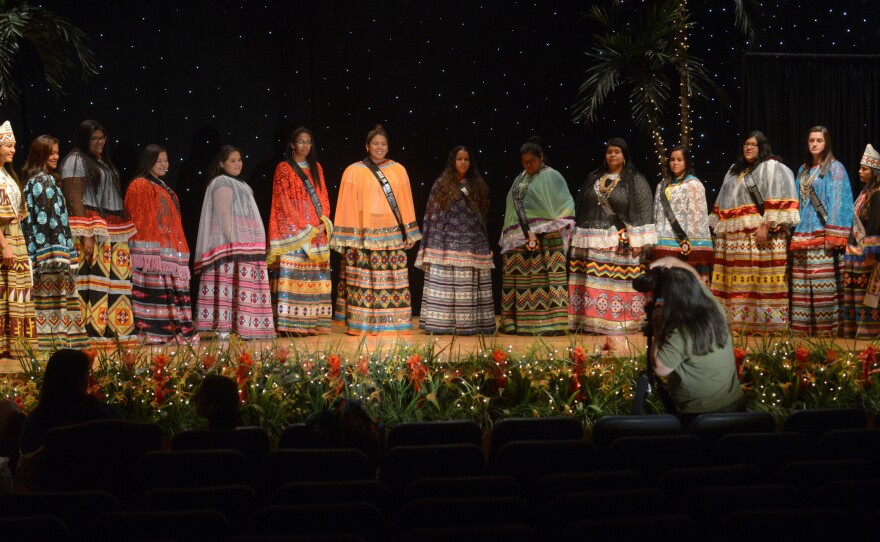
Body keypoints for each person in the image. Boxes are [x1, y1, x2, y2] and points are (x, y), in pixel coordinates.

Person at [330, 125, 421, 335]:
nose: (379, 147)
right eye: (375, 144)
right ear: (367, 146)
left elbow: (406, 201)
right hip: (362, 235)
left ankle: (393, 322)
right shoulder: (353, 170)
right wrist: (347, 238)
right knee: (363, 279)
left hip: (391, 234)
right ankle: (361, 323)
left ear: (388, 146)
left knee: (391, 279)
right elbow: (346, 204)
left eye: (383, 144)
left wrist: (410, 231)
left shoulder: (399, 170)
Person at [709, 131, 799, 334]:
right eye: (746, 144)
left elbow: (779, 196)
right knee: (736, 279)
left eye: (753, 145)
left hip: (759, 235)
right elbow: (725, 200)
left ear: (762, 148)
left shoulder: (772, 167)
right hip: (735, 238)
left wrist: (766, 225)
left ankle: (765, 323)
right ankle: (735, 322)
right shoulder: (734, 170)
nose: (748, 148)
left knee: (758, 279)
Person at [59, 120, 137, 345]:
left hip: (110, 227)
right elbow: (74, 198)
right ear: (84, 139)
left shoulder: (101, 162)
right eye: (95, 138)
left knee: (115, 280)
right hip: (91, 227)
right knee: (91, 279)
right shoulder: (76, 160)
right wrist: (86, 233)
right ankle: (90, 329)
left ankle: (113, 327)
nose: (100, 142)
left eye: (102, 138)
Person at [568, 137, 654, 334]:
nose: (612, 155)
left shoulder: (635, 179)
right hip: (591, 239)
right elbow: (583, 205)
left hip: (619, 240)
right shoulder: (594, 178)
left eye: (617, 151)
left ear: (625, 156)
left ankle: (619, 322)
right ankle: (590, 321)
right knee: (591, 281)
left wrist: (638, 240)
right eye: (609, 152)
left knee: (617, 283)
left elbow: (643, 209)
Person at [649, 257, 744, 422]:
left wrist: (657, 331)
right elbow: (698, 279)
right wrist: (673, 261)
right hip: (735, 404)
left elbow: (660, 368)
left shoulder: (682, 332)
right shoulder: (713, 307)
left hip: (701, 414)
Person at [194, 145, 274, 339]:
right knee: (230, 284)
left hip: (243, 243)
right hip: (232, 246)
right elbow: (223, 217)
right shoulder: (223, 183)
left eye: (240, 159)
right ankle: (224, 328)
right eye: (232, 160)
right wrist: (234, 244)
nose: (238, 164)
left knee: (243, 285)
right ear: (222, 163)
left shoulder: (239, 183)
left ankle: (246, 327)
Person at [415, 145, 495, 335]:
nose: (463, 162)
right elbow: (432, 215)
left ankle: (468, 325)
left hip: (471, 245)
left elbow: (481, 217)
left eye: (466, 159)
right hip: (444, 245)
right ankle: (442, 325)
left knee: (465, 285)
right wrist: (433, 243)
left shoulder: (478, 185)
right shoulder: (441, 184)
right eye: (459, 159)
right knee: (447, 286)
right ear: (453, 161)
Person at [499, 136, 575, 335]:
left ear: (541, 157)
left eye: (531, 161)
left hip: (546, 238)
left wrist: (544, 227)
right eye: (524, 162)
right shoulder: (519, 178)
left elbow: (564, 204)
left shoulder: (552, 176)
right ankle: (517, 323)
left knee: (543, 280)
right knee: (522, 279)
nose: (528, 165)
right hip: (521, 238)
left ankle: (548, 323)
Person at [124, 145, 195, 344]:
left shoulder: (164, 187)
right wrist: (150, 253)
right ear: (149, 162)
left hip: (169, 250)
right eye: (159, 160)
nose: (164, 164)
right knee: (152, 293)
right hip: (153, 253)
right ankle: (153, 332)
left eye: (166, 160)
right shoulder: (140, 184)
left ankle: (171, 330)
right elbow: (140, 218)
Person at [22, 134, 87, 349]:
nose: (56, 157)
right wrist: (56, 254)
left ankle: (56, 342)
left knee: (55, 299)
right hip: (50, 255)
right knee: (53, 299)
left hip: (51, 253)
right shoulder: (41, 181)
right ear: (41, 154)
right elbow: (44, 221)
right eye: (52, 153)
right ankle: (54, 343)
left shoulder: (42, 180)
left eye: (58, 152)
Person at [266, 127, 333, 335]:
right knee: (294, 273)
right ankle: (290, 325)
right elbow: (283, 201)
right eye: (300, 141)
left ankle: (311, 324)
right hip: (294, 229)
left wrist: (323, 222)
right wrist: (302, 227)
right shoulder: (283, 168)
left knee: (315, 277)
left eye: (308, 141)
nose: (304, 145)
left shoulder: (317, 168)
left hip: (315, 228)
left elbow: (323, 196)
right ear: (293, 144)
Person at [789, 126, 853, 335]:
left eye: (819, 140)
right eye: (811, 140)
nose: (815, 144)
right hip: (801, 235)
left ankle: (826, 337)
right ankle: (802, 337)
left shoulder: (835, 168)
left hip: (822, 236)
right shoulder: (802, 170)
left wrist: (833, 234)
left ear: (827, 143)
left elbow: (839, 202)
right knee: (801, 290)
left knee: (823, 289)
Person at [19, 349, 121, 454]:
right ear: (83, 379)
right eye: (87, 373)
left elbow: (27, 459)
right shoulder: (105, 413)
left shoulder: (36, 421)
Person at [0, 121, 37, 356]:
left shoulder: (7, 174)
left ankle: (15, 343)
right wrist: (4, 246)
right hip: (5, 239)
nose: (13, 150)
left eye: (14, 146)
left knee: (15, 289)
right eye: (8, 146)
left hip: (16, 237)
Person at [651, 145, 713, 282]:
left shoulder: (694, 184)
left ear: (687, 162)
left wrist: (693, 246)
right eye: (672, 159)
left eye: (679, 159)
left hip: (683, 244)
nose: (675, 163)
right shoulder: (661, 185)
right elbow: (656, 214)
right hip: (662, 242)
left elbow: (697, 218)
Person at [842, 144, 880, 338]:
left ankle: (868, 339)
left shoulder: (877, 193)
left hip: (865, 257)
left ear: (874, 172)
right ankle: (854, 336)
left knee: (866, 300)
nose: (859, 171)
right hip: (855, 255)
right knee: (855, 298)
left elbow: (875, 224)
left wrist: (871, 253)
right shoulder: (865, 192)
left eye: (864, 169)